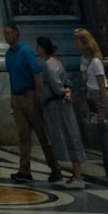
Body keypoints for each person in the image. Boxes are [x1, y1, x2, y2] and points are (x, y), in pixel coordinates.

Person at [2, 22, 61, 184]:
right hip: (16, 97)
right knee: (23, 135)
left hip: (29, 96)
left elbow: (36, 73)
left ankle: (55, 167)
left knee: (42, 134)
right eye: (4, 33)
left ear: (16, 34)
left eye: (8, 33)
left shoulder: (25, 52)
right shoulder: (8, 54)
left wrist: (38, 95)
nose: (6, 36)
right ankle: (24, 170)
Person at [74, 29, 108, 191]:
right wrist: (85, 103)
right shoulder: (84, 60)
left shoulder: (96, 62)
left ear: (85, 42)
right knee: (103, 141)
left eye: (77, 40)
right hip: (92, 97)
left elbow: (102, 86)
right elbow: (87, 83)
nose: (75, 43)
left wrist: (102, 107)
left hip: (101, 99)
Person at [36, 36, 84, 186]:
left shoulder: (49, 66)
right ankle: (76, 174)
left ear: (43, 48)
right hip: (59, 104)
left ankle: (78, 176)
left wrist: (62, 92)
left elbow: (56, 87)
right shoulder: (56, 62)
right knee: (68, 136)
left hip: (57, 106)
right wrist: (67, 89)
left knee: (69, 136)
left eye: (38, 47)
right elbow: (66, 82)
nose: (36, 50)